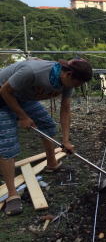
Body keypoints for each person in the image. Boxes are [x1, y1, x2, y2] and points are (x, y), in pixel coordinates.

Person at [0, 58, 92, 216]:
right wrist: (22, 116)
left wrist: (65, 140)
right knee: (7, 142)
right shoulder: (32, 71)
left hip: (22, 98)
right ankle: (12, 194)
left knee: (48, 125)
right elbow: (4, 91)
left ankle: (52, 163)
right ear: (68, 74)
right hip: (2, 96)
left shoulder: (67, 82)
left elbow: (65, 109)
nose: (78, 87)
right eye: (77, 84)